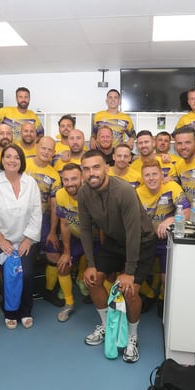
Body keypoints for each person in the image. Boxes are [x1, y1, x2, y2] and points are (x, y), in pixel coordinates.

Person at [78, 150, 157, 363]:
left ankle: (133, 336)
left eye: (96, 167)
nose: (91, 173)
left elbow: (133, 233)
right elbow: (85, 229)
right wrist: (91, 265)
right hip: (114, 243)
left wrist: (129, 272)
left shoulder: (124, 191)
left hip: (142, 242)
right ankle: (107, 327)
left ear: (106, 167)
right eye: (86, 169)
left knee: (129, 291)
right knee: (93, 281)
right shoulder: (84, 193)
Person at [0, 144, 42, 329]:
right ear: (2, 160)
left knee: (28, 274)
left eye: (16, 157)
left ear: (21, 161)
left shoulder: (30, 183)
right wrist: (1, 240)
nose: (12, 160)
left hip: (25, 239)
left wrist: (28, 239)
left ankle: (25, 310)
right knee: (11, 272)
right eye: (8, 156)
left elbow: (37, 213)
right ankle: (10, 311)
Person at [136, 159, 190, 310]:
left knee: (166, 280)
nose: (151, 178)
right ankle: (150, 294)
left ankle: (162, 297)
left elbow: (187, 212)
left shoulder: (172, 186)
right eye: (147, 175)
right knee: (133, 274)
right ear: (142, 177)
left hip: (167, 239)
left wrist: (171, 219)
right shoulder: (136, 193)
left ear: (161, 175)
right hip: (146, 240)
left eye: (155, 174)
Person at [25, 136, 63, 307]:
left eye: (50, 150)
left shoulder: (54, 175)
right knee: (21, 255)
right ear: (36, 147)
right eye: (43, 148)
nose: (46, 152)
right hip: (20, 219)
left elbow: (54, 205)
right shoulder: (23, 164)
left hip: (43, 219)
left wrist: (53, 231)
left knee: (54, 253)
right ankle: (20, 290)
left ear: (54, 153)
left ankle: (48, 291)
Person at [55, 163, 91, 322]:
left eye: (74, 179)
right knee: (63, 265)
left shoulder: (92, 194)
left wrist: (94, 260)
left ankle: (107, 308)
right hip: (76, 236)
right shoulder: (60, 194)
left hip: (96, 239)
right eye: (66, 180)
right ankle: (69, 303)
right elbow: (64, 224)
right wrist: (66, 252)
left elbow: (104, 228)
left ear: (83, 178)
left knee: (104, 271)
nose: (69, 183)